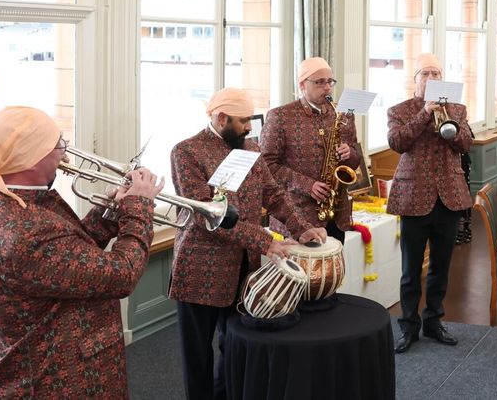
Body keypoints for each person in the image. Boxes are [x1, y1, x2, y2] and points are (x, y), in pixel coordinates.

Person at [0, 107, 159, 397]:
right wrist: (140, 208)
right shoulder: (27, 230)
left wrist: (111, 211)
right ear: (31, 159)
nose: (65, 156)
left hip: (38, 365)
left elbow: (69, 257)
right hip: (60, 378)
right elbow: (123, 274)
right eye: (58, 146)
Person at [171, 89, 326, 400]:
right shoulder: (186, 152)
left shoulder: (251, 146)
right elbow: (207, 216)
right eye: (243, 122)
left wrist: (303, 228)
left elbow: (273, 193)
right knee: (198, 355)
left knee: (237, 346)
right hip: (201, 269)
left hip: (245, 267)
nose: (249, 128)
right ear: (220, 118)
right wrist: (265, 241)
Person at [386, 53, 474, 353]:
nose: (432, 78)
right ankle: (408, 327)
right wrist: (425, 113)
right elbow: (398, 142)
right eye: (425, 73)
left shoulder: (457, 109)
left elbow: (465, 144)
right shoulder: (399, 110)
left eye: (436, 73)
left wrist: (449, 123)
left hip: (448, 197)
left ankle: (434, 321)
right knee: (411, 269)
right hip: (413, 199)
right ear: (415, 80)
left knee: (441, 266)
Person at [262, 57, 362, 243]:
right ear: (302, 85)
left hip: (337, 213)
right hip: (297, 215)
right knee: (302, 272)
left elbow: (355, 160)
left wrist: (350, 153)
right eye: (319, 82)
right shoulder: (280, 116)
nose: (327, 88)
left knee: (334, 271)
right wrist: (307, 185)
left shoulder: (342, 113)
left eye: (330, 81)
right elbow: (266, 165)